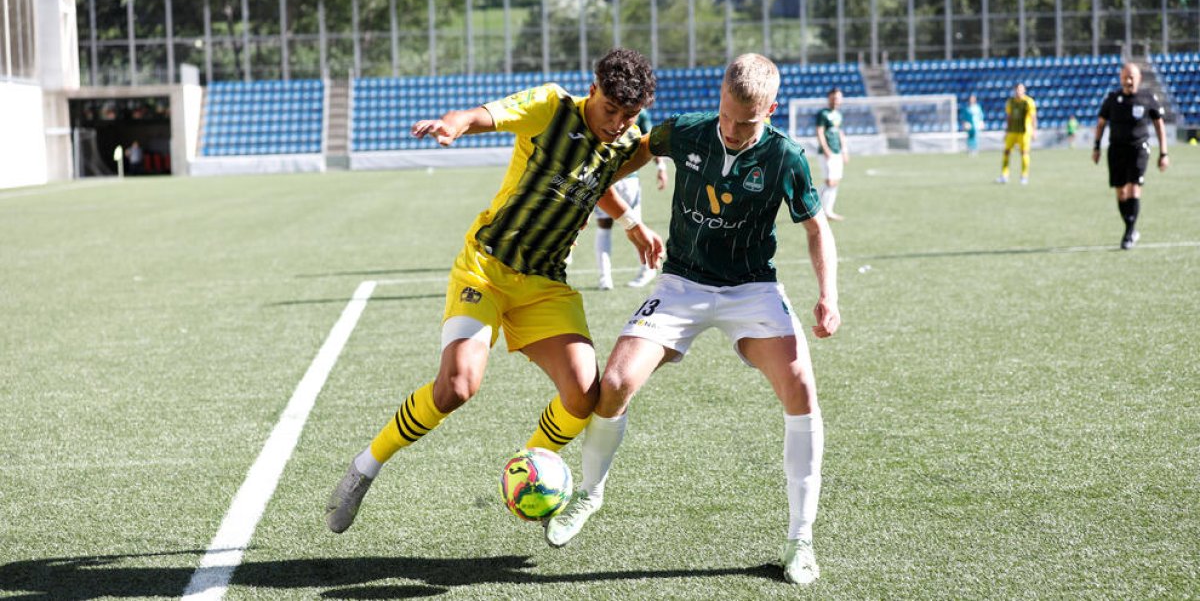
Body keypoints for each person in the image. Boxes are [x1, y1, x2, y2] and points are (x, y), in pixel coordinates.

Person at [324, 47, 664, 534]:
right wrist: (453, 125)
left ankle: (532, 467)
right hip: (486, 268)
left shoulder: (625, 141)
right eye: (610, 110)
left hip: (546, 284)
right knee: (457, 387)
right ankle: (365, 467)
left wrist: (632, 223)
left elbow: (597, 175)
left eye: (628, 116)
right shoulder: (551, 106)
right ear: (593, 89)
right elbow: (481, 115)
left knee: (583, 396)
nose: (616, 123)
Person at [543, 54, 841, 587]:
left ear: (770, 109)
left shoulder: (786, 158)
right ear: (719, 99)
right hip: (680, 284)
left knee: (801, 390)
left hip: (752, 288)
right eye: (725, 115)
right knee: (613, 384)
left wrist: (828, 295)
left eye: (745, 121)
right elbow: (624, 156)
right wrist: (605, 198)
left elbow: (816, 228)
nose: (730, 129)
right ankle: (589, 493)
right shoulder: (686, 132)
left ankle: (801, 538)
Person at [1092, 62, 1169, 250]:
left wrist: (1164, 153)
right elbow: (1101, 123)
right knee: (1121, 192)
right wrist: (1096, 147)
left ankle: (1128, 234)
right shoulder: (1112, 99)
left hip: (1139, 149)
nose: (1128, 80)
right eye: (1125, 77)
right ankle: (1130, 228)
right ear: (1120, 78)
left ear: (1139, 78)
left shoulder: (1147, 98)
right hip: (1116, 150)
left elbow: (1159, 125)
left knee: (1134, 189)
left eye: (1132, 77)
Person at [592, 109, 669, 290]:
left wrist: (661, 167)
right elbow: (652, 140)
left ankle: (606, 278)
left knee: (609, 226)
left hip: (611, 177)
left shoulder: (601, 107)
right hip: (625, 178)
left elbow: (650, 140)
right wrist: (661, 167)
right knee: (633, 225)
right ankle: (645, 270)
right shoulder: (637, 111)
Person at [814, 87, 849, 220]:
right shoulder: (823, 114)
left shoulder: (838, 114)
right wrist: (825, 148)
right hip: (826, 152)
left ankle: (828, 210)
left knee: (835, 181)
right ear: (829, 98)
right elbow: (820, 131)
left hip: (837, 151)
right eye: (834, 97)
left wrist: (844, 150)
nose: (836, 100)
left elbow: (840, 133)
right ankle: (814, 206)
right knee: (829, 181)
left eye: (838, 98)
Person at [997, 83, 1037, 184]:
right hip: (1012, 131)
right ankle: (1004, 175)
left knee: (1024, 153)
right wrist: (1006, 131)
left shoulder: (1028, 102)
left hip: (1024, 132)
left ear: (1024, 90)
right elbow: (1009, 117)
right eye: (1017, 89)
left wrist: (1034, 131)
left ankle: (1024, 176)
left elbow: (1033, 117)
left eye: (1020, 89)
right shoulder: (1010, 102)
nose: (1018, 91)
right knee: (1006, 152)